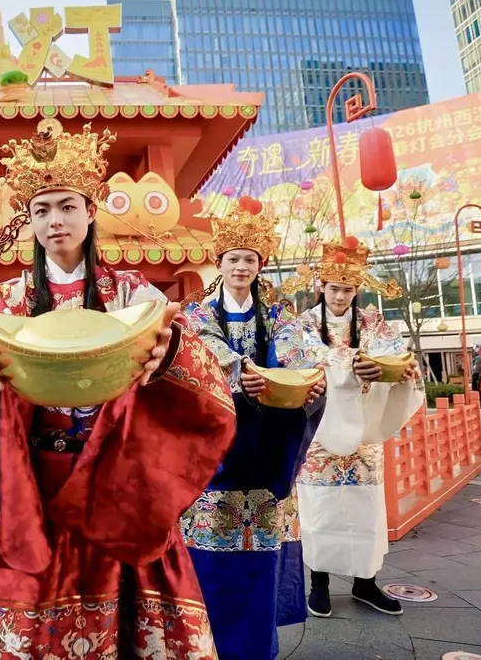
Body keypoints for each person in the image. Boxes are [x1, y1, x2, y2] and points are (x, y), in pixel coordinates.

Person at [0, 121, 237, 658]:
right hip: (28, 488)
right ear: (30, 221)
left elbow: (202, 370)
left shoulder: (133, 294)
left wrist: (169, 355)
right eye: (41, 211)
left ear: (90, 212)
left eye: (67, 207)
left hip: (116, 480)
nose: (55, 221)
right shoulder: (1, 301)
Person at [180, 197, 327, 660]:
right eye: (233, 259)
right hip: (215, 454)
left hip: (267, 452)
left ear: (260, 266)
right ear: (219, 263)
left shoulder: (279, 314)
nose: (241, 267)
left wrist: (307, 378)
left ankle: (256, 648)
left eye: (249, 260)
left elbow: (300, 354)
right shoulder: (198, 313)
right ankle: (203, 644)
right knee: (208, 558)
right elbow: (200, 352)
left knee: (261, 558)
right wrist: (239, 371)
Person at [285, 239, 424, 618]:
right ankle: (319, 585)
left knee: (365, 508)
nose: (340, 296)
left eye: (348, 289)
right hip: (320, 432)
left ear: (357, 289)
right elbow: (298, 361)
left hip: (363, 433)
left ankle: (365, 582)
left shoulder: (373, 322)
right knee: (321, 509)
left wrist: (399, 370)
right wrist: (352, 364)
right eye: (334, 288)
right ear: (321, 286)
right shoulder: (303, 325)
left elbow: (397, 355)